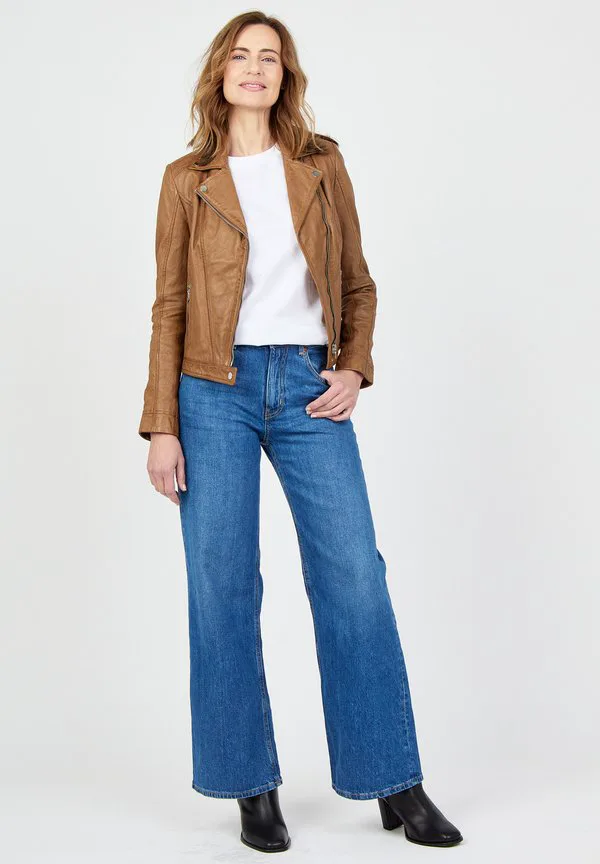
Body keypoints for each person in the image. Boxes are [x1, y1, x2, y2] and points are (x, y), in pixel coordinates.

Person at [138, 11, 463, 853]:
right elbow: (169, 305)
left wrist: (353, 367)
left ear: (285, 76)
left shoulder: (321, 164)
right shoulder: (186, 180)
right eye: (242, 56)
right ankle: (251, 786)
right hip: (211, 391)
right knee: (222, 586)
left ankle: (394, 779)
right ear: (220, 73)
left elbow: (356, 281)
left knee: (354, 576)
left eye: (270, 59)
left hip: (309, 389)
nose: (256, 69)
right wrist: (161, 424)